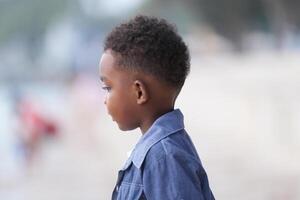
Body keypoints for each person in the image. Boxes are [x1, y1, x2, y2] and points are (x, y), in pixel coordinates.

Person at [99, 15, 215, 200]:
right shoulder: (157, 151)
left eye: (108, 88)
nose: (105, 99)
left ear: (139, 92)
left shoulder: (165, 157)